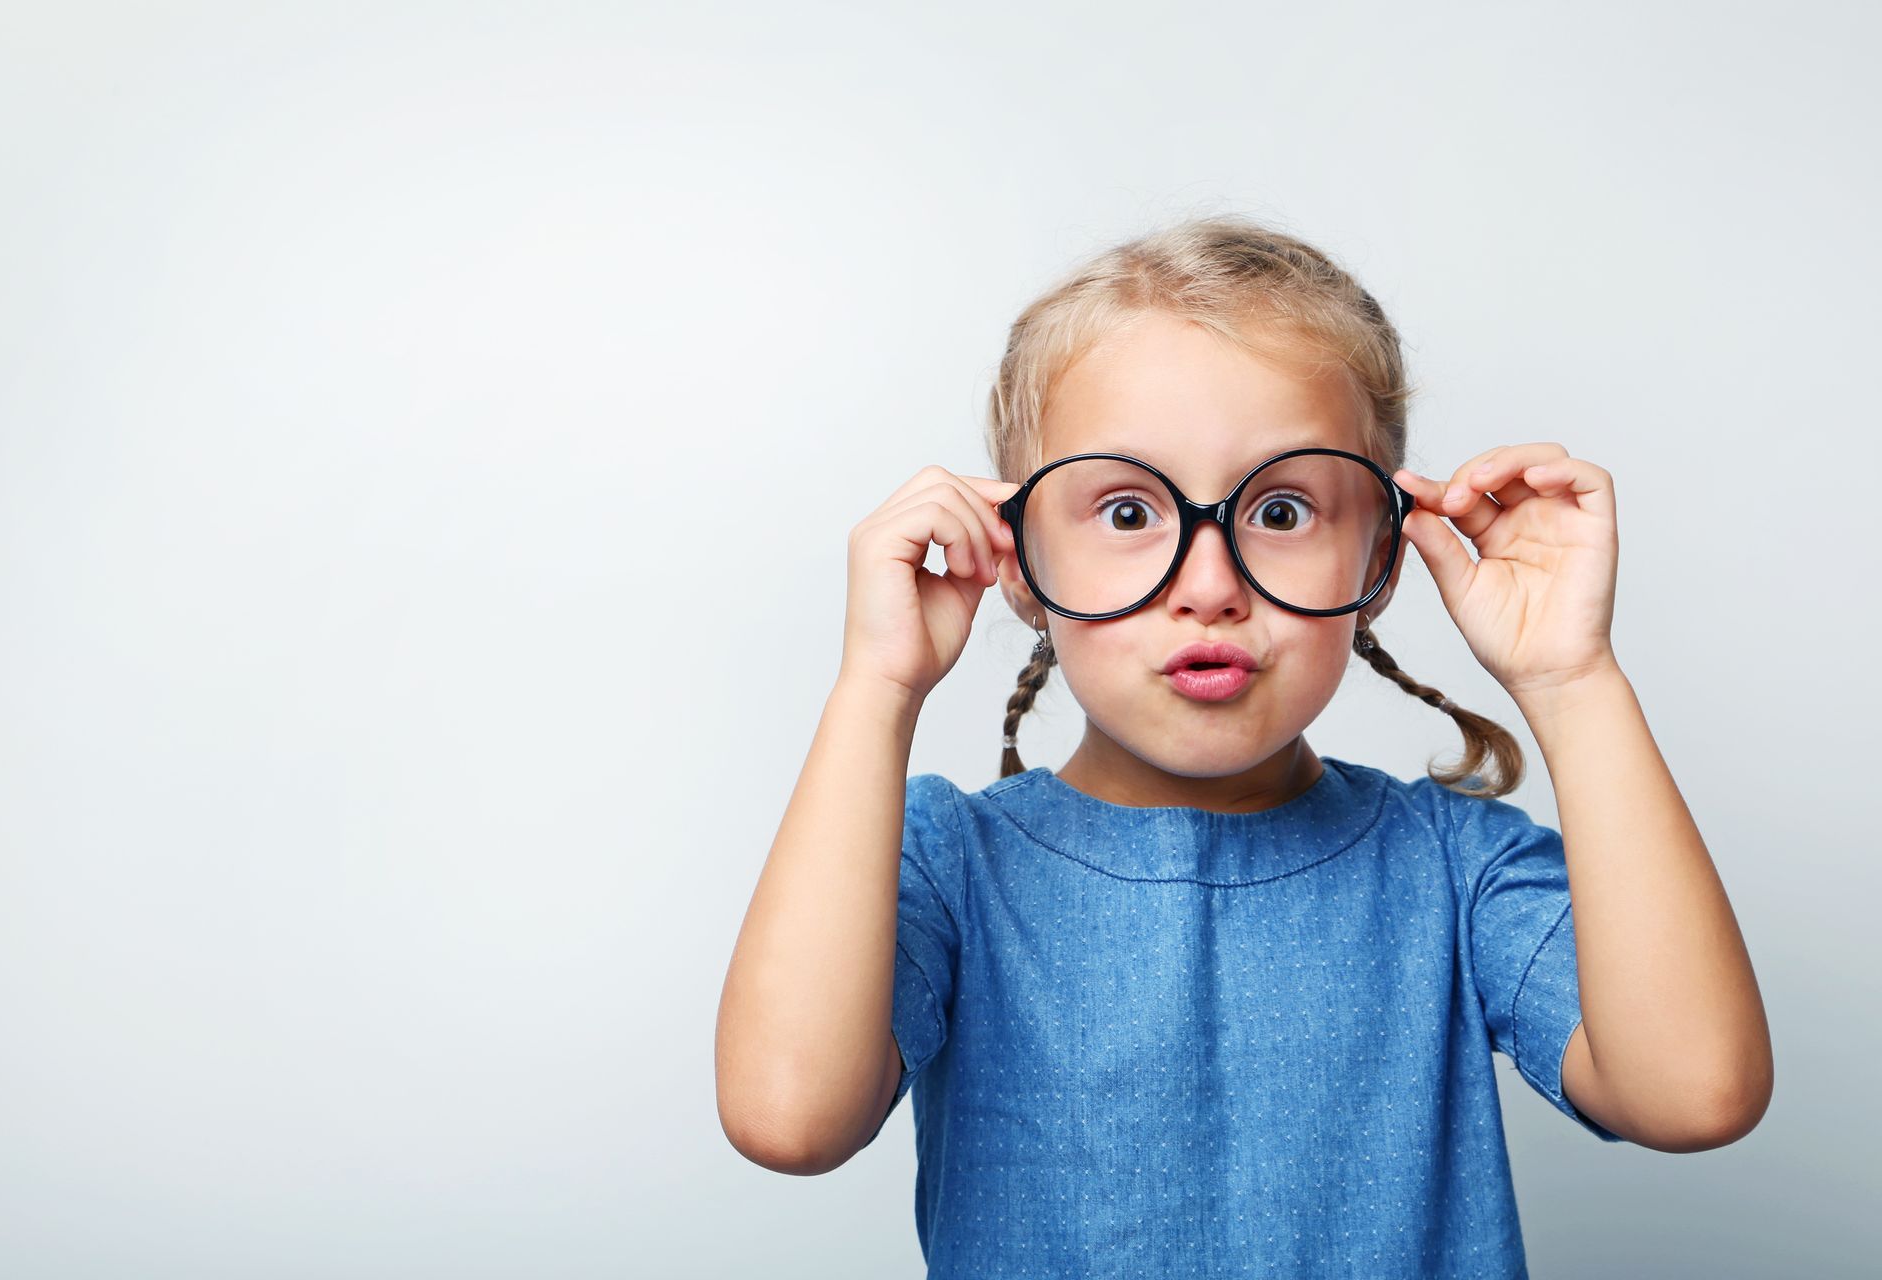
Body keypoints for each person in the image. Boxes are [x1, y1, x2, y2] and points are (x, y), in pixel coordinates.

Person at [714, 216, 1772, 1277]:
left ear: (1383, 554)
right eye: (1128, 508)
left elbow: (1691, 1092)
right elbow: (789, 1116)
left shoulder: (1455, 868)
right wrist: (876, 685)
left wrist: (1571, 677)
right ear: (1021, 562)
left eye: (1280, 507)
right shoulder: (953, 865)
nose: (1209, 585)